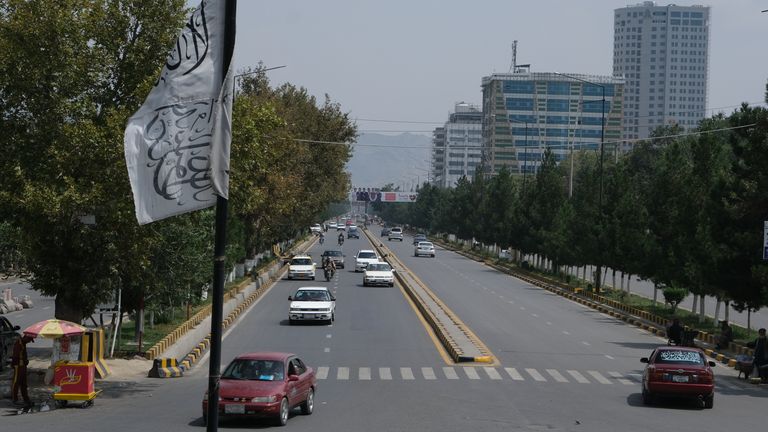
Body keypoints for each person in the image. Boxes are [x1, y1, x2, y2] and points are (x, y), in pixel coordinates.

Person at [11, 335, 34, 406]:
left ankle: (26, 399)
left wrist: (25, 361)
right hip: (18, 366)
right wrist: (16, 365)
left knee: (24, 383)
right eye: (29, 340)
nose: (29, 342)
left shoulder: (23, 343)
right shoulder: (18, 344)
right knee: (16, 382)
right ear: (26, 338)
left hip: (23, 366)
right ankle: (15, 399)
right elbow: (15, 356)